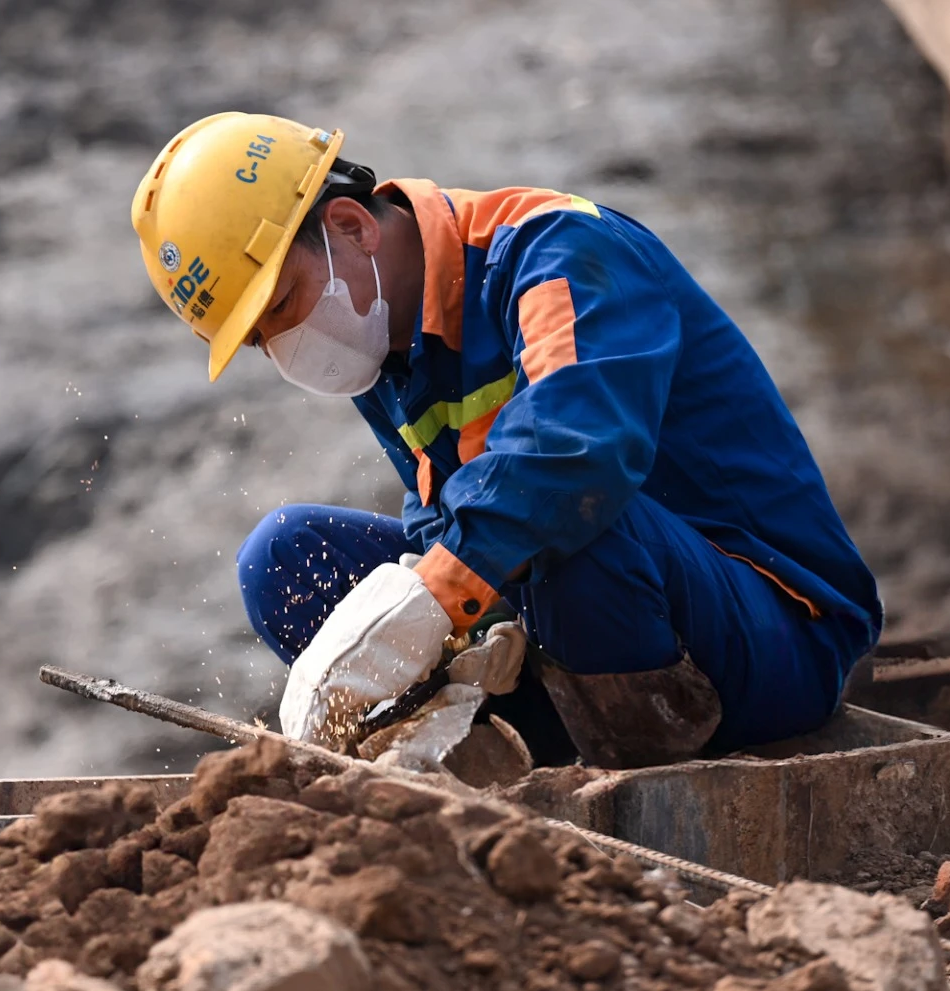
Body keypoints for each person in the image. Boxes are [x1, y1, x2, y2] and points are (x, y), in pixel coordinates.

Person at [129, 112, 882, 767]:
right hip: (584, 628)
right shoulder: (382, 345)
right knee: (286, 558)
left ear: (352, 227)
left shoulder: (556, 252)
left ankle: (624, 757)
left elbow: (577, 448)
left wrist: (436, 598)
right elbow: (445, 514)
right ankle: (476, 750)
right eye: (262, 339)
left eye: (282, 306)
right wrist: (447, 645)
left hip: (774, 632)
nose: (287, 345)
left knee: (569, 524)